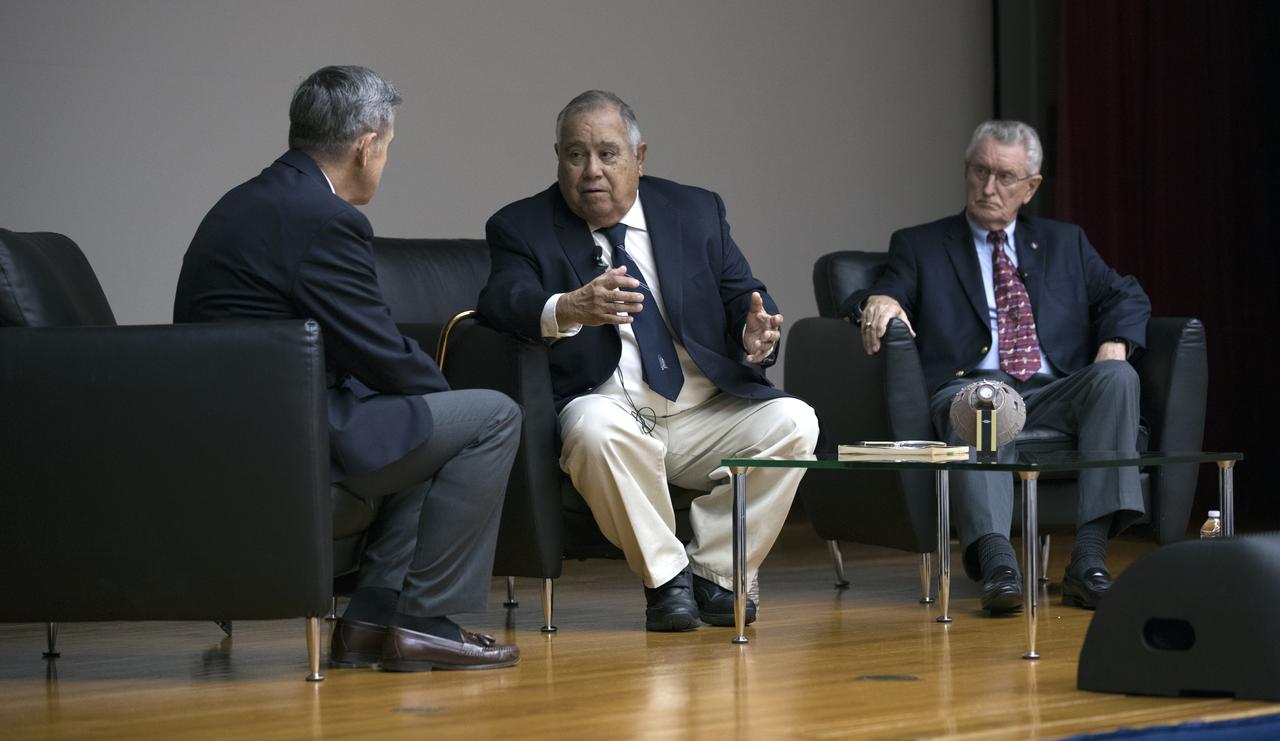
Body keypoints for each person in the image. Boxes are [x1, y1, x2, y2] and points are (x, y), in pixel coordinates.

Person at [174, 66, 522, 671]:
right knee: (492, 416)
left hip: (235, 427)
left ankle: (371, 621)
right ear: (366, 146)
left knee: (425, 423)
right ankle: (424, 623)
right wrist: (439, 401)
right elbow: (379, 350)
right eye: (387, 147)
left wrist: (425, 406)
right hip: (288, 436)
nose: (385, 160)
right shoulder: (325, 219)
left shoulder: (249, 200)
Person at [477, 90, 817, 632]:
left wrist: (758, 332)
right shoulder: (522, 226)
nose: (591, 171)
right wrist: (569, 307)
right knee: (592, 427)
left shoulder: (695, 209)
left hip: (702, 410)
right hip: (610, 410)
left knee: (796, 420)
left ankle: (717, 574)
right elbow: (503, 300)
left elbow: (743, 295)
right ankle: (667, 581)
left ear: (640, 157)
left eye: (608, 154)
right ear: (558, 157)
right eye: (574, 155)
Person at [843, 120, 1149, 613]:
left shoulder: (1064, 242)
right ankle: (998, 562)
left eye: (1005, 177)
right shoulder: (921, 244)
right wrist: (877, 300)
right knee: (985, 401)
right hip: (969, 387)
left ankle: (1089, 558)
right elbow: (876, 291)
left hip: (1054, 392)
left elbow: (1125, 294)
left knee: (1118, 376)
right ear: (966, 172)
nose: (988, 188)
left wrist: (1114, 344)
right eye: (979, 171)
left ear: (1031, 188)